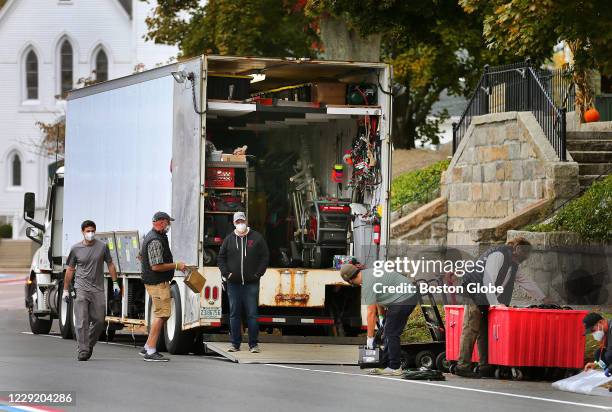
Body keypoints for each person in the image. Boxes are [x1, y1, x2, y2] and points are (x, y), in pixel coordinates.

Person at [456, 237, 550, 378]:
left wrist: (544, 298)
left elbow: (525, 281)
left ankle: (485, 367)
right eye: (525, 252)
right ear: (517, 249)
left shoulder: (513, 264)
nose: (526, 257)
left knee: (484, 331)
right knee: (471, 328)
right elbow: (488, 280)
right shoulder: (498, 255)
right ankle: (462, 367)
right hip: (473, 292)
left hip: (484, 295)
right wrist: (494, 302)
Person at [340, 263, 417, 376]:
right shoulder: (368, 274)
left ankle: (395, 367)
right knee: (387, 331)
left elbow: (371, 314)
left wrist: (369, 339)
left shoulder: (367, 284)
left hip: (404, 298)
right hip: (404, 296)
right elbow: (378, 298)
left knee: (391, 333)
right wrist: (381, 317)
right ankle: (384, 364)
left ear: (350, 280)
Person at [63, 220, 119, 361]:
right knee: (82, 320)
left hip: (98, 289)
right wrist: (65, 289)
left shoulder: (102, 247)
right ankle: (83, 349)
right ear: (82, 232)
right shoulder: (75, 249)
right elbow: (70, 269)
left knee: (100, 320)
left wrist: (116, 282)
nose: (91, 233)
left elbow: (110, 264)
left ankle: (88, 344)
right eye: (88, 231)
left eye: (93, 231)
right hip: (81, 288)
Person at [217, 211, 269, 353]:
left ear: (246, 221)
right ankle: (235, 344)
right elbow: (220, 258)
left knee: (252, 314)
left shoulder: (257, 238)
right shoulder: (228, 239)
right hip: (233, 284)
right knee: (234, 314)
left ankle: (254, 344)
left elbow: (265, 257)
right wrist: (227, 274)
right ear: (234, 223)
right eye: (237, 222)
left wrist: (258, 274)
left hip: (251, 283)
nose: (240, 224)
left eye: (242, 221)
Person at [139, 211, 186, 362]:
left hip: (155, 282)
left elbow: (141, 256)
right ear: (160, 222)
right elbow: (156, 267)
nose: (169, 225)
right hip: (157, 282)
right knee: (162, 314)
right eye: (167, 222)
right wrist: (176, 265)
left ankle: (147, 346)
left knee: (162, 314)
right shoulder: (155, 240)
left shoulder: (153, 236)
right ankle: (151, 351)